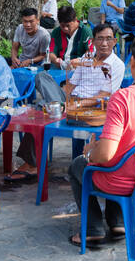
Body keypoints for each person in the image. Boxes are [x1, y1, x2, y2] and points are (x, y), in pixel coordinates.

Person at [66, 32, 135, 250]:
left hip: (118, 180)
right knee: (119, 156)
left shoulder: (123, 98)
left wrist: (89, 152)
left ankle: (92, 229)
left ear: (132, 63)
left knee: (79, 165)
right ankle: (117, 223)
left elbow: (106, 154)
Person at [10, 23, 124, 183]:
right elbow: (71, 85)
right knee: (41, 81)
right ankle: (33, 160)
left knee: (43, 111)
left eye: (108, 39)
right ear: (93, 41)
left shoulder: (116, 65)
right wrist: (64, 101)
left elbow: (103, 96)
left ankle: (31, 163)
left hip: (93, 110)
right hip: (71, 104)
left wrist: (73, 105)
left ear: (114, 41)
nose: (104, 43)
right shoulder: (87, 57)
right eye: (100, 39)